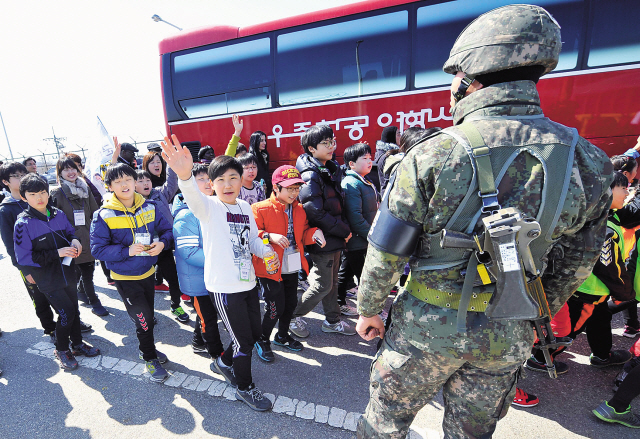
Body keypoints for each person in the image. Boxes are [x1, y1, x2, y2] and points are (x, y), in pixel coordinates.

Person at [354, 5, 614, 438]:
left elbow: (387, 248)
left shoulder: (433, 152)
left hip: (423, 328)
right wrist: (531, 312)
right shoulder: (589, 162)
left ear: (470, 79)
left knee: (384, 425)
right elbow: (578, 262)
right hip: (506, 333)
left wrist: (368, 309)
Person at [162, 137, 276, 412]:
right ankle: (244, 388)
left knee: (251, 333)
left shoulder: (245, 207)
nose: (228, 184)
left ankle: (223, 363)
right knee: (244, 341)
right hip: (224, 288)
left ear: (241, 181)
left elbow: (251, 242)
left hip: (248, 283)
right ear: (211, 185)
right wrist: (184, 174)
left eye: (233, 178)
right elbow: (191, 194)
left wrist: (267, 252)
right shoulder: (208, 207)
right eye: (221, 180)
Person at [90, 163, 174, 383]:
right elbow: (97, 249)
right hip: (125, 278)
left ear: (134, 181)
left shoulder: (150, 206)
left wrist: (162, 244)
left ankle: (148, 349)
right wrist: (126, 250)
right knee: (143, 320)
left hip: (147, 271)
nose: (124, 184)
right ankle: (149, 356)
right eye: (117, 181)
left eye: (127, 179)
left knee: (149, 317)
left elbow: (166, 230)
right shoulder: (103, 214)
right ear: (110, 186)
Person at [14, 174, 100, 370]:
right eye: (33, 194)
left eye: (43, 192)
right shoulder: (23, 224)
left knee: (74, 311)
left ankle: (77, 344)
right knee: (66, 313)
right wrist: (57, 252)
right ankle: (62, 349)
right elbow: (24, 258)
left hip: (69, 271)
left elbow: (70, 232)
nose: (39, 197)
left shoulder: (58, 214)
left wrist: (75, 241)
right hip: (47, 278)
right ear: (24, 197)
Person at [252, 165, 325, 362]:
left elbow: (304, 233)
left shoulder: (300, 209)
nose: (294, 192)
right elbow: (252, 236)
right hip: (270, 265)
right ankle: (262, 339)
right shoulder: (260, 208)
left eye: (297, 188)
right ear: (276, 188)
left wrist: (314, 233)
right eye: (289, 188)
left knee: (291, 302)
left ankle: (282, 336)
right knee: (274, 306)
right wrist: (269, 236)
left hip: (292, 261)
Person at [290, 124, 355, 338]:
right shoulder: (311, 174)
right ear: (311, 148)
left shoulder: (328, 168)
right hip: (323, 238)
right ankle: (290, 316)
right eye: (325, 143)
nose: (331, 146)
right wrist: (344, 230)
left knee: (332, 283)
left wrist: (342, 230)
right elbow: (315, 211)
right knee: (322, 284)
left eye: (332, 141)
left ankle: (332, 321)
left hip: (333, 236)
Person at [0, 162, 57, 341]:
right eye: (15, 176)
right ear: (5, 182)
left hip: (51, 256)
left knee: (60, 291)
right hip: (29, 263)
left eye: (22, 173)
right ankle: (50, 327)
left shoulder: (39, 199)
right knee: (39, 296)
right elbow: (10, 245)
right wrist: (24, 269)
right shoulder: (6, 209)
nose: (21, 178)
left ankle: (69, 321)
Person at [172, 163, 224, 358]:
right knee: (208, 318)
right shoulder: (186, 214)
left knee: (206, 314)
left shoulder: (214, 205)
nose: (207, 182)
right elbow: (189, 252)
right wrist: (220, 260)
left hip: (213, 274)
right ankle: (218, 356)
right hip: (199, 279)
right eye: (200, 179)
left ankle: (197, 342)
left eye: (208, 178)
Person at [50, 157, 108, 317]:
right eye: (66, 169)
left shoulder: (85, 188)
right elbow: (53, 220)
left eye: (73, 168)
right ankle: (86, 304)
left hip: (88, 237)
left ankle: (89, 297)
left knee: (88, 272)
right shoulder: (56, 192)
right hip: (69, 241)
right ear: (60, 172)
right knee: (74, 276)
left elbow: (95, 213)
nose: (71, 172)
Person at [134, 169, 188, 322]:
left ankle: (176, 305)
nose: (146, 183)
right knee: (146, 283)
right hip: (144, 248)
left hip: (163, 245)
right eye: (141, 181)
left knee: (173, 277)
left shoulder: (159, 194)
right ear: (133, 184)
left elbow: (172, 181)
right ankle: (148, 313)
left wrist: (171, 163)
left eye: (148, 180)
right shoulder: (131, 201)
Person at [336, 143, 378, 317]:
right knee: (363, 277)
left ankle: (338, 304)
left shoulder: (363, 180)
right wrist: (373, 235)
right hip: (358, 239)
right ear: (351, 164)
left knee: (347, 272)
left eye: (370, 158)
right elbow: (355, 218)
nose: (369, 161)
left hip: (362, 238)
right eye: (364, 158)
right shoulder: (351, 184)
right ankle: (368, 312)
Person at [372, 126, 400, 191]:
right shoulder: (388, 156)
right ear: (391, 137)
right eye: (398, 134)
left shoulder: (382, 153)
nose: (401, 137)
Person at [248, 130, 271, 196]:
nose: (264, 143)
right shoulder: (251, 157)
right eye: (261, 141)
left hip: (266, 189)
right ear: (255, 142)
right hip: (257, 190)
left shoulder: (264, 155)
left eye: (265, 140)